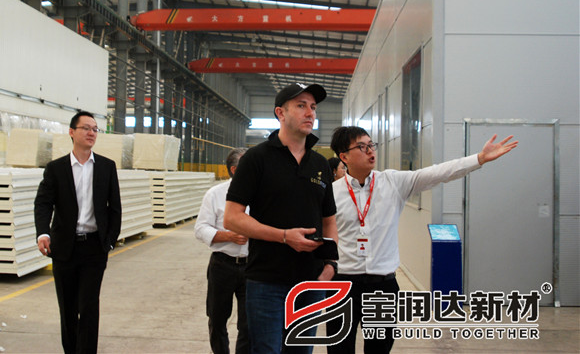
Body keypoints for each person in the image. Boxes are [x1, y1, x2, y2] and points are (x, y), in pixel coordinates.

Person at [326, 126, 518, 354]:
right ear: (344, 156)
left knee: (379, 349)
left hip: (382, 287)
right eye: (361, 147)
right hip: (342, 286)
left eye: (371, 145)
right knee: (339, 349)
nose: (370, 151)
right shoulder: (331, 192)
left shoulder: (393, 182)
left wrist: (479, 159)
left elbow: (438, 173)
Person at [224, 82, 338, 354]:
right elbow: (232, 218)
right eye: (301, 105)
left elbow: (329, 220)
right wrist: (284, 237)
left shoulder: (320, 164)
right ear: (280, 113)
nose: (310, 113)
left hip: (311, 282)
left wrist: (331, 265)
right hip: (267, 281)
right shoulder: (256, 159)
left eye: (313, 107)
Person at [34, 111, 122, 354]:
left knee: (89, 307)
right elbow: (43, 203)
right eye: (86, 128)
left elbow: (114, 208)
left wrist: (109, 241)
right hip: (65, 248)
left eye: (95, 129)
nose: (91, 133)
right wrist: (43, 233)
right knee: (68, 309)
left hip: (94, 248)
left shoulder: (106, 167)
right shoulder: (56, 169)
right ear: (72, 132)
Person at [194, 148, 250, 354]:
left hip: (252, 266)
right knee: (217, 319)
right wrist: (229, 236)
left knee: (248, 324)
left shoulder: (261, 194)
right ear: (234, 170)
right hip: (222, 265)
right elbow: (201, 229)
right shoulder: (215, 194)